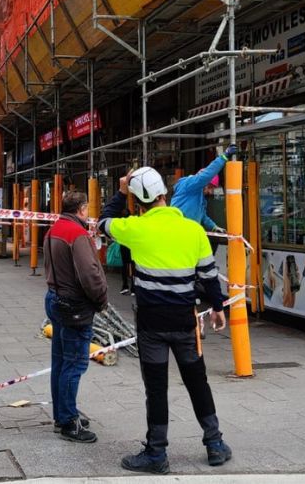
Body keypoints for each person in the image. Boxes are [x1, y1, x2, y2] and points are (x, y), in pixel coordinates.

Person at [99, 167, 233, 473]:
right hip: (185, 322)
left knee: (156, 388)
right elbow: (209, 275)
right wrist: (217, 308)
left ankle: (156, 453)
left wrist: (121, 191)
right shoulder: (193, 230)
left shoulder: (134, 228)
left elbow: (104, 221)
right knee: (197, 382)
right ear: (164, 194)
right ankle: (214, 443)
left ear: (138, 201)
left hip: (151, 324)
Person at [43, 190, 108, 443]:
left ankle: (62, 414)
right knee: (74, 363)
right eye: (87, 208)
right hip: (74, 305)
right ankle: (69, 421)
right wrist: (101, 299)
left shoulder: (54, 230)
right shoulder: (77, 235)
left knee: (60, 361)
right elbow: (89, 273)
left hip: (55, 298)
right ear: (81, 209)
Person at [171, 144, 238, 237]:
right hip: (177, 231)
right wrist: (224, 156)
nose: (210, 192)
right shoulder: (190, 183)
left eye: (212, 188)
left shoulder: (199, 197)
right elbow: (208, 174)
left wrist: (214, 227)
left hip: (188, 233)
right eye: (209, 187)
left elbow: (202, 215)